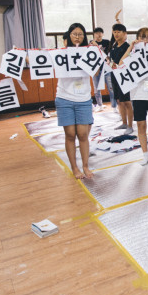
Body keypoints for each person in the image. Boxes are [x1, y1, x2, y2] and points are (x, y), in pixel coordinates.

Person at [55, 23, 95, 180]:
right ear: (69, 35)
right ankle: (74, 167)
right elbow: (41, 61)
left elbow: (97, 71)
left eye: (80, 34)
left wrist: (96, 52)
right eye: (74, 34)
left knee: (83, 134)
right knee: (70, 134)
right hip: (64, 97)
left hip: (83, 98)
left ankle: (85, 166)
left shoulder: (88, 52)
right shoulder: (61, 52)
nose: (77, 37)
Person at [120, 27, 148, 166]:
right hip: (138, 94)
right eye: (142, 37)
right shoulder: (133, 53)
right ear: (137, 39)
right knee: (141, 124)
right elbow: (120, 64)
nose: (146, 40)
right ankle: (145, 155)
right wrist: (130, 48)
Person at [109, 23, 133, 133]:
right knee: (119, 101)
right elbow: (112, 61)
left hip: (125, 77)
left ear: (124, 34)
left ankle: (130, 126)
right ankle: (124, 123)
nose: (116, 34)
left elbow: (129, 62)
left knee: (127, 101)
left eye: (119, 32)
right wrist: (112, 64)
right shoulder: (114, 46)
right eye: (114, 32)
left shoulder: (127, 47)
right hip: (114, 76)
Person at [90, 27, 114, 111]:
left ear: (103, 34)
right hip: (96, 69)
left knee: (111, 88)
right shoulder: (91, 43)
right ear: (94, 34)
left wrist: (97, 46)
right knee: (96, 89)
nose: (98, 35)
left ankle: (114, 106)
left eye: (100, 33)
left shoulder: (106, 42)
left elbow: (107, 56)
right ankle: (100, 105)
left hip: (106, 68)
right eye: (96, 33)